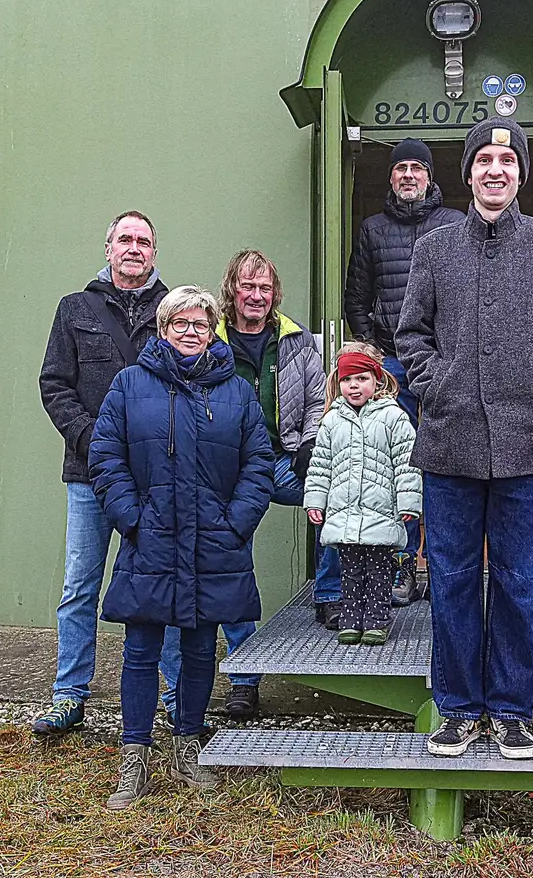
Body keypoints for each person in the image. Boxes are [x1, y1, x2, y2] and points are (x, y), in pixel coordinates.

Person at [397, 117, 533, 760]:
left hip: (527, 440)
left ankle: (510, 711)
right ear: (468, 171)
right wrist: (436, 384)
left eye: (507, 160)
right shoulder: (435, 248)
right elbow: (411, 334)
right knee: (449, 577)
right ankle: (457, 709)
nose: (495, 170)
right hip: (450, 441)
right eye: (484, 160)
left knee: (520, 580)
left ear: (521, 174)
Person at [89, 285, 274, 811]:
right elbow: (106, 456)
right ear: (163, 330)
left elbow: (258, 464)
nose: (190, 332)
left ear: (213, 329)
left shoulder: (236, 391)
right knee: (141, 653)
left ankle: (188, 745)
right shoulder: (129, 385)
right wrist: (132, 519)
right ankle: (134, 756)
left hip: (213, 544)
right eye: (180, 324)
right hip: (151, 541)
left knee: (199, 653)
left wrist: (234, 523)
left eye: (200, 323)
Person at [155, 250, 330, 725]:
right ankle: (244, 681)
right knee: (229, 569)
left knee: (337, 497)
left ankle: (334, 594)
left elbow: (318, 396)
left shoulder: (296, 340)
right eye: (248, 286)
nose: (257, 296)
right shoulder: (212, 341)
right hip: (228, 471)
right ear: (231, 290)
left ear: (274, 294)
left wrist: (311, 442)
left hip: (284, 458)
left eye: (265, 288)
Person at [33, 210, 169, 736]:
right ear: (108, 248)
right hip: (89, 475)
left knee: (164, 582)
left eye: (144, 241)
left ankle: (176, 696)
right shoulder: (75, 309)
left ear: (153, 253)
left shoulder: (173, 309)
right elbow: (54, 385)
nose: (134, 247)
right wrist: (93, 440)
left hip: (154, 480)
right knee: (80, 584)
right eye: (125, 239)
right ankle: (69, 694)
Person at [343, 138, 465, 606]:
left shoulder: (455, 224)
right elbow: (357, 295)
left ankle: (443, 571)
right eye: (401, 169)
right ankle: (400, 570)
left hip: (445, 369)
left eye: (417, 167)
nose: (409, 175)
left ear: (430, 176)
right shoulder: (373, 229)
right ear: (391, 177)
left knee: (446, 470)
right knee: (392, 471)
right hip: (393, 365)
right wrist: (373, 349)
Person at [303, 342, 422, 646]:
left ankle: (377, 621)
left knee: (379, 572)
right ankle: (351, 620)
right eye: (347, 379)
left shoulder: (394, 418)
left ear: (377, 379)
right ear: (338, 382)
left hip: (381, 513)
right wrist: (315, 501)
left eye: (361, 378)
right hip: (345, 515)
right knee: (351, 572)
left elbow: (407, 463)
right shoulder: (331, 420)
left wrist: (409, 501)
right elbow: (320, 466)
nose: (354, 386)